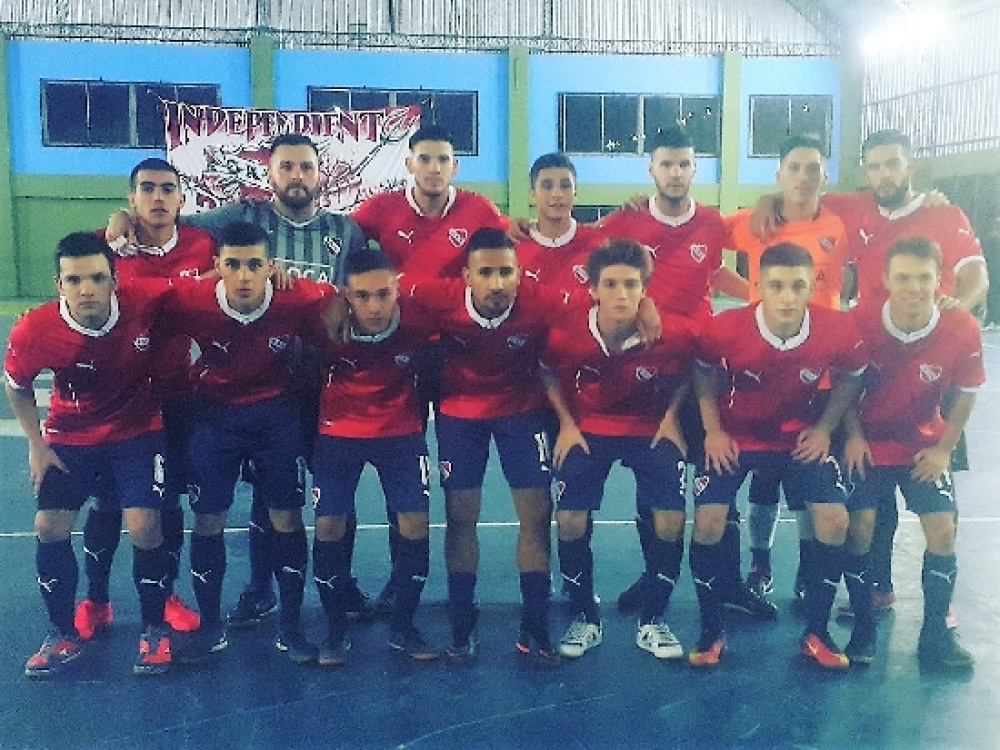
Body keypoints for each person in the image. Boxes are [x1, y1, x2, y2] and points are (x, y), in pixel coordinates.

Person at [109, 134, 371, 628]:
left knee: (334, 491)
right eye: (286, 166)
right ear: (269, 173)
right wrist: (123, 218)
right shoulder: (241, 218)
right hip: (263, 386)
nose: (297, 175)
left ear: (321, 173)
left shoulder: (347, 230)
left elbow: (363, 284)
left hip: (326, 383)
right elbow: (169, 218)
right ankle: (259, 588)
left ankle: (342, 582)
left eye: (306, 167)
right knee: (268, 493)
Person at [597, 126, 766, 620]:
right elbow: (578, 249)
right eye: (666, 164)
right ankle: (655, 578)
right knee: (655, 478)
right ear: (652, 169)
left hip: (705, 368)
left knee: (719, 470)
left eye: (684, 164)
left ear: (695, 168)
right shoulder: (626, 221)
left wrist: (758, 296)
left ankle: (729, 582)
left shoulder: (712, 222)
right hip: (648, 369)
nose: (675, 173)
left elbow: (714, 269)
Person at [161, 221, 337, 665]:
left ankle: (291, 629)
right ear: (216, 266)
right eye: (233, 265)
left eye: (255, 265)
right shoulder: (190, 297)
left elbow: (346, 305)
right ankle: (210, 628)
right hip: (214, 417)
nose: (244, 276)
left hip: (276, 416)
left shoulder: (298, 297)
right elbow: (134, 300)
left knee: (287, 518)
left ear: (271, 267)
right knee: (207, 520)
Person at [351, 125, 510, 613]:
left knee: (457, 473)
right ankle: (402, 579)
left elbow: (509, 254)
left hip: (461, 353)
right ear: (410, 164)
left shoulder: (481, 211)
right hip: (401, 352)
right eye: (425, 158)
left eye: (443, 159)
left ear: (455, 166)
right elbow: (343, 248)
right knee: (404, 465)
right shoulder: (380, 210)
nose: (434, 168)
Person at [690, 243, 866, 669]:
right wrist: (713, 431)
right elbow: (702, 371)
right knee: (709, 521)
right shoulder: (725, 328)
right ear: (758, 286)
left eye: (797, 286)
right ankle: (711, 631)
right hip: (736, 438)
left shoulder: (837, 329)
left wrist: (825, 428)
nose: (787, 296)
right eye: (776, 286)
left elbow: (851, 378)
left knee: (835, 520)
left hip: (798, 439)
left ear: (812, 286)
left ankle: (817, 632)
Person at [6, 233, 175, 676]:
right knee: (49, 525)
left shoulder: (145, 299)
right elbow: (18, 386)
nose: (87, 289)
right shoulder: (35, 330)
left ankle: (154, 630)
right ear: (58, 284)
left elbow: (203, 286)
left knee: (144, 524)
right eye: (74, 279)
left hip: (138, 430)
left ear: (115, 281)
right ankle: (61, 634)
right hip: (71, 434)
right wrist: (36, 444)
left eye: (98, 278)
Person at [402, 227, 570, 663]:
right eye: (486, 273)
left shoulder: (542, 301)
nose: (497, 284)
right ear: (466, 276)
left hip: (522, 411)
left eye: (506, 273)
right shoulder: (436, 297)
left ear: (520, 274)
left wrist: (647, 306)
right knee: (461, 519)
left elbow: (595, 305)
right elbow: (382, 288)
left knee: (536, 517)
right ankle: (462, 624)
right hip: (460, 415)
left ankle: (535, 624)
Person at [74, 157, 211, 643]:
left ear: (181, 198)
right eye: (147, 188)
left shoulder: (203, 244)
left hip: (174, 396)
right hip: (115, 400)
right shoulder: (103, 248)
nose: (157, 197)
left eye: (167, 188)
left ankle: (166, 595)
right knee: (109, 503)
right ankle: (96, 599)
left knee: (166, 500)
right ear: (131, 199)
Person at [542, 239, 697, 660]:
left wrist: (672, 417)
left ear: (645, 289)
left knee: (671, 518)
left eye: (631, 284)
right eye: (610, 284)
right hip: (589, 428)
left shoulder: (670, 333)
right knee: (569, 519)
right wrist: (566, 423)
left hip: (650, 428)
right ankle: (585, 617)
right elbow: (547, 372)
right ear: (593, 289)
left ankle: (654, 621)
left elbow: (692, 369)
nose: (622, 294)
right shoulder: (568, 333)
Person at [841, 237, 982, 669]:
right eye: (903, 277)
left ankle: (936, 635)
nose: (914, 287)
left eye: (924, 278)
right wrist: (853, 437)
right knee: (860, 527)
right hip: (868, 442)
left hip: (923, 446)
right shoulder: (860, 321)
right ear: (885, 279)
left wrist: (943, 449)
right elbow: (844, 387)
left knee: (942, 530)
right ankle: (863, 628)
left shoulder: (961, 327)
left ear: (940, 280)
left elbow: (966, 392)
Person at [726, 134, 851, 610]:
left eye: (812, 168)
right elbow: (695, 237)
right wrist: (745, 290)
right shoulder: (755, 221)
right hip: (761, 372)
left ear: (825, 175)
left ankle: (807, 568)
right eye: (793, 168)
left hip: (820, 377)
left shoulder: (841, 223)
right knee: (763, 481)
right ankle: (760, 565)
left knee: (807, 482)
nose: (803, 176)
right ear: (779, 175)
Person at [308, 249, 438, 665]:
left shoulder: (420, 320)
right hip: (337, 433)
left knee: (415, 522)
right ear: (346, 294)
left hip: (400, 432)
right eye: (363, 296)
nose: (375, 306)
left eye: (384, 294)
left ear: (398, 288)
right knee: (328, 524)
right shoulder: (322, 322)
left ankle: (404, 626)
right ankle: (335, 629)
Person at [516, 152, 607, 290]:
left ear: (575, 192)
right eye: (547, 186)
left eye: (565, 186)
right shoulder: (514, 246)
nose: (557, 194)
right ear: (533, 194)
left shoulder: (598, 245)